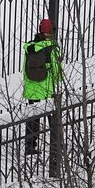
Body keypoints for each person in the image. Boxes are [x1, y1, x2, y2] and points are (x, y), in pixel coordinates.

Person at [21, 18, 64, 155]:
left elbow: (24, 68)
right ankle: (56, 146)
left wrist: (28, 86)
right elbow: (57, 70)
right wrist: (57, 82)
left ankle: (30, 146)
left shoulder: (30, 48)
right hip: (47, 89)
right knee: (53, 119)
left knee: (33, 120)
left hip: (31, 89)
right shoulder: (52, 47)